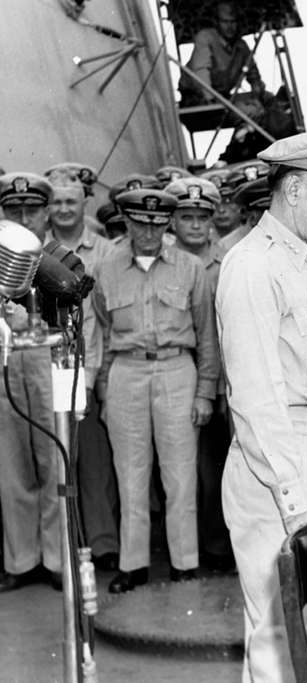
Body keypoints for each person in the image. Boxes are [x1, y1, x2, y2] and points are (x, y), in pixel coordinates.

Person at [217, 132, 307, 680]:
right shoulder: (253, 266)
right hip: (277, 466)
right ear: (295, 189)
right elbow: (257, 397)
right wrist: (293, 498)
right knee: (280, 642)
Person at [92, 189, 219, 593]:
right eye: (139, 223)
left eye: (156, 223)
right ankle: (134, 564)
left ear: (167, 223)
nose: (148, 231)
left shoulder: (190, 267)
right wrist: (104, 389)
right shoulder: (106, 268)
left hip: (176, 369)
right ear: (125, 222)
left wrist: (205, 392)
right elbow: (103, 329)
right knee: (130, 473)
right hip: (126, 372)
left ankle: (184, 563)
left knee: (180, 474)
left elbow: (207, 335)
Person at [45, 168, 121, 573]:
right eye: (56, 202)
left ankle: (104, 544)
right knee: (58, 461)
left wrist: (96, 375)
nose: (63, 209)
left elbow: (105, 318)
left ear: (83, 204)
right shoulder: (38, 251)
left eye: (70, 201)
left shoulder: (105, 252)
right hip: (49, 369)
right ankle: (66, 548)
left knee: (95, 463)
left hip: (87, 368)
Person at [165, 177, 235, 572]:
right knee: (187, 470)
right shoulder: (167, 258)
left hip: (228, 377)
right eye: (186, 217)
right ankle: (190, 547)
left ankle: (219, 546)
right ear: (172, 221)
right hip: (188, 374)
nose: (195, 225)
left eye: (202, 217)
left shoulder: (229, 258)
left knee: (221, 469)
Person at [0, 173, 63, 591]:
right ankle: (21, 561)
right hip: (6, 361)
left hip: (48, 361)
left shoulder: (60, 259)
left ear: (46, 214)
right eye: (13, 210)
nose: (23, 217)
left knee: (53, 460)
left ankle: (57, 560)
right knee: (11, 466)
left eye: (31, 210)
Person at [179, 1, 265, 105]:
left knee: (267, 99)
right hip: (197, 99)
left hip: (223, 97)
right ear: (217, 22)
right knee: (251, 112)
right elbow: (201, 73)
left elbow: (253, 74)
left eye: (233, 22)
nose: (230, 27)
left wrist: (257, 93)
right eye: (225, 22)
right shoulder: (206, 38)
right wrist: (211, 100)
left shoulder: (241, 46)